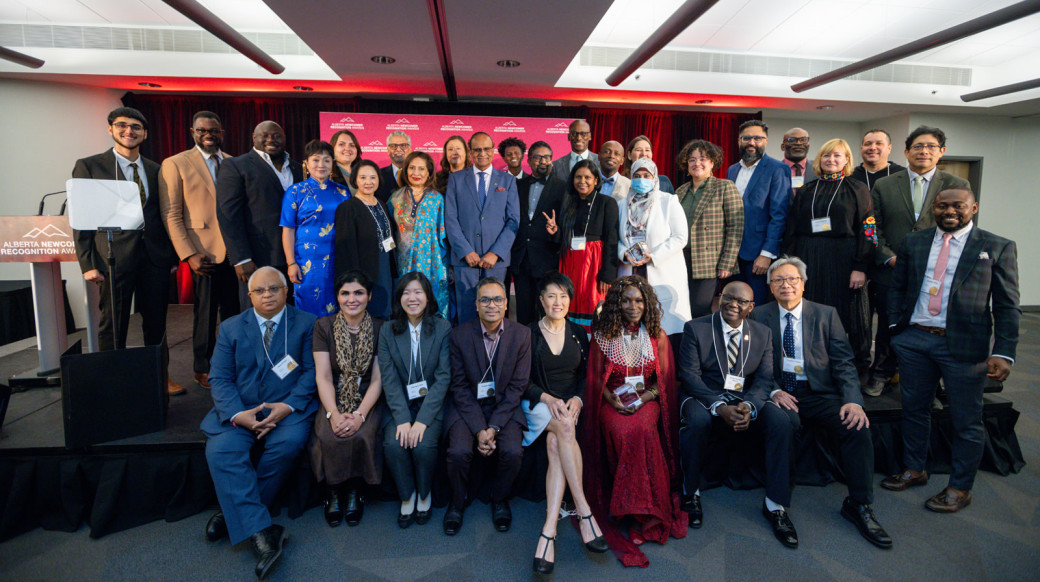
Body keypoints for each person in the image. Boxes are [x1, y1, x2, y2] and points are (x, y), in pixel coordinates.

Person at [881, 188, 1020, 513]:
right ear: (934, 207)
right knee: (914, 409)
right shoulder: (915, 242)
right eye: (943, 205)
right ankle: (915, 469)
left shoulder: (996, 245)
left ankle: (960, 487)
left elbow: (1007, 305)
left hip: (964, 347)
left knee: (965, 419)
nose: (950, 211)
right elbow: (898, 288)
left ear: (973, 207)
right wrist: (895, 330)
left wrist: (1004, 351)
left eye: (958, 205)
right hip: (915, 341)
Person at [749, 257, 892, 548]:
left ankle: (859, 504)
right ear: (770, 287)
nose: (786, 285)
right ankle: (775, 506)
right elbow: (752, 365)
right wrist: (773, 390)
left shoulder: (826, 314)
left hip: (818, 393)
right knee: (782, 424)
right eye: (778, 280)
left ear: (803, 283)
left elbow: (844, 363)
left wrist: (853, 400)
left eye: (792, 279)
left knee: (856, 426)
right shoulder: (759, 316)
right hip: (780, 393)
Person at [201, 266, 317, 581]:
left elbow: (310, 373)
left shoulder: (306, 324)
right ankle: (264, 533)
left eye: (274, 288)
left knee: (288, 444)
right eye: (260, 290)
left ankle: (233, 514)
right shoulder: (230, 328)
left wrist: (288, 407)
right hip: (239, 412)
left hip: (287, 409)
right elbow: (220, 379)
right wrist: (240, 415)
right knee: (221, 451)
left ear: (286, 290)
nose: (267, 295)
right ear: (249, 295)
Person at [676, 281, 797, 549]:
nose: (734, 304)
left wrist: (749, 407)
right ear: (719, 298)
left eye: (742, 301)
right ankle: (691, 491)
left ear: (751, 307)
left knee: (780, 422)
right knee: (698, 420)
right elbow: (689, 377)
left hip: (743, 397)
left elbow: (765, 379)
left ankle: (775, 505)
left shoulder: (762, 333)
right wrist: (719, 406)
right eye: (729, 297)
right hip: (702, 393)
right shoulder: (696, 328)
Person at [73, 106, 182, 395]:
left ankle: (159, 376)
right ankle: (113, 379)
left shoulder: (156, 169)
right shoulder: (90, 165)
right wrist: (86, 263)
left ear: (144, 133)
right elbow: (81, 217)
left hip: (155, 258)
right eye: (122, 125)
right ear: (110, 129)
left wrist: (170, 256)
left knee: (157, 323)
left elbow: (164, 214)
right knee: (114, 322)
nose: (128, 131)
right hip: (112, 258)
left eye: (136, 127)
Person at [581, 276, 686, 567]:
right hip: (612, 402)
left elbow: (662, 382)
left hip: (646, 402)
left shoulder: (657, 337)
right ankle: (629, 511)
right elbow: (593, 377)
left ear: (647, 304)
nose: (632, 306)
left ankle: (644, 514)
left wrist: (646, 398)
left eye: (639, 300)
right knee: (620, 429)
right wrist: (610, 398)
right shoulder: (602, 335)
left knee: (640, 428)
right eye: (626, 300)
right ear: (615, 303)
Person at [866, 125, 969, 396]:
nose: (924, 151)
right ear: (906, 152)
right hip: (892, 270)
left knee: (931, 326)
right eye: (918, 146)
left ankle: (931, 382)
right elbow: (871, 227)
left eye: (931, 147)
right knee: (889, 323)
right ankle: (882, 373)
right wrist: (887, 257)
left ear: (941, 152)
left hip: (938, 271)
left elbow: (962, 227)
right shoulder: (885, 184)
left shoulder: (957, 185)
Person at [523, 273, 607, 574]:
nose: (557, 302)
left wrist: (578, 400)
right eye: (551, 296)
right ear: (541, 300)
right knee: (565, 429)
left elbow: (586, 376)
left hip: (568, 406)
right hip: (537, 405)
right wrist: (547, 398)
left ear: (570, 301)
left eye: (563, 296)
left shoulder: (578, 333)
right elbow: (522, 382)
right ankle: (584, 511)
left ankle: (549, 530)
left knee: (556, 440)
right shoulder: (528, 333)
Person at [443, 277, 531, 536]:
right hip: (468, 407)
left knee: (513, 453)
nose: (491, 305)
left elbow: (518, 387)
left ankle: (499, 498)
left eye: (497, 299)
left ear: (505, 304)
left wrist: (493, 426)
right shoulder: (459, 335)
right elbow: (458, 387)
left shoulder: (522, 334)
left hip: (505, 406)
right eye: (485, 299)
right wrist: (480, 428)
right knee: (458, 452)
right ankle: (457, 502)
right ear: (476, 305)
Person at [782, 138, 875, 372]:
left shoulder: (858, 189)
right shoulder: (806, 189)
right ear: (819, 160)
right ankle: (812, 365)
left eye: (837, 155)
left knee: (848, 315)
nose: (831, 160)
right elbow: (791, 228)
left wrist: (861, 266)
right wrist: (787, 263)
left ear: (846, 160)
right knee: (810, 310)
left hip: (844, 259)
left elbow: (869, 229)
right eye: (826, 155)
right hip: (808, 257)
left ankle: (854, 369)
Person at [159, 110, 235, 391]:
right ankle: (202, 368)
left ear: (221, 134)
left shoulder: (232, 162)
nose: (208, 135)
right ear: (192, 132)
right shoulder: (175, 163)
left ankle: (231, 365)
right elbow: (171, 214)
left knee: (233, 314)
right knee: (205, 314)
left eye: (213, 131)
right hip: (203, 252)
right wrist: (189, 254)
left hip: (233, 252)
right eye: (202, 130)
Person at [309, 270, 385, 527]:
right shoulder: (323, 326)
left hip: (367, 395)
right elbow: (323, 377)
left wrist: (361, 415)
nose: (352, 299)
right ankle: (333, 493)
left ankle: (355, 492)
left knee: (361, 434)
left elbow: (377, 379)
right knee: (329, 435)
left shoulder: (380, 328)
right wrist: (333, 414)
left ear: (369, 296)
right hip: (334, 394)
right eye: (345, 293)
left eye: (359, 293)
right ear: (338, 297)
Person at [378, 272, 452, 528]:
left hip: (431, 405)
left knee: (423, 446)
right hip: (399, 405)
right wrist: (402, 419)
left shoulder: (442, 328)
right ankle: (406, 495)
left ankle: (424, 493)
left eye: (418, 292)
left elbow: (443, 378)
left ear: (428, 296)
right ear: (399, 298)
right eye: (406, 292)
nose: (412, 298)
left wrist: (420, 421)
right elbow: (389, 379)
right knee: (394, 445)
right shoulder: (387, 330)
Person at [216, 120, 302, 308]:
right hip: (257, 259)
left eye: (276, 135)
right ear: (254, 138)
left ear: (285, 139)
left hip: (297, 259)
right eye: (265, 135)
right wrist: (241, 257)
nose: (271, 138)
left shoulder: (298, 168)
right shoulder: (236, 165)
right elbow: (228, 215)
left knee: (292, 316)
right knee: (259, 317)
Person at [444, 132, 520, 324]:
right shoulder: (456, 179)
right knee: (467, 314)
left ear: (493, 150)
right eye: (477, 149)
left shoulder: (507, 180)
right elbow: (450, 219)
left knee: (494, 313)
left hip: (496, 262)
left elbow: (513, 221)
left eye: (487, 149)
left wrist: (496, 252)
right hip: (465, 262)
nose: (482, 153)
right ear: (470, 152)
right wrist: (465, 251)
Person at [851, 129, 906, 395]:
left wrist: (883, 252)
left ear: (890, 148)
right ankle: (859, 367)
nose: (872, 148)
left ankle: (884, 370)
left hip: (887, 259)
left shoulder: (900, 176)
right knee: (858, 318)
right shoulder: (851, 175)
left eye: (879, 143)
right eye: (867, 143)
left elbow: (875, 225)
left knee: (886, 319)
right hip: (856, 257)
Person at [617, 158, 691, 343]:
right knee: (632, 325)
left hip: (661, 269)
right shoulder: (621, 204)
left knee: (663, 329)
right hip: (631, 269)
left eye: (646, 176)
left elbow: (681, 236)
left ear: (654, 178)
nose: (641, 179)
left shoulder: (668, 201)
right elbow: (615, 238)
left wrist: (654, 256)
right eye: (637, 176)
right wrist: (623, 253)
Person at [674, 139, 744, 318]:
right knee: (679, 307)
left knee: (699, 308)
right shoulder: (680, 191)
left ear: (712, 162)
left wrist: (727, 262)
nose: (697, 163)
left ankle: (700, 345)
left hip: (709, 261)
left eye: (703, 158)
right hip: (680, 259)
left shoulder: (724, 187)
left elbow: (735, 227)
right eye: (692, 159)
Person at [281, 139, 350, 318]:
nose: (321, 165)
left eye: (327, 160)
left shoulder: (343, 192)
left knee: (338, 306)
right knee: (308, 310)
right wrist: (291, 263)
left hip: (338, 260)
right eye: (316, 160)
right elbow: (288, 230)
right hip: (306, 263)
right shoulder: (295, 191)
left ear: (332, 164)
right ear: (306, 163)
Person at [726, 120, 791, 305]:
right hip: (732, 254)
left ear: (766, 141)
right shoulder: (732, 169)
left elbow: (779, 216)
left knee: (757, 306)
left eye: (757, 138)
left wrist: (766, 253)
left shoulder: (778, 169)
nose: (752, 142)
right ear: (739, 140)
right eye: (747, 138)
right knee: (734, 304)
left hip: (758, 255)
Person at [554, 159, 619, 331]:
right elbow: (564, 238)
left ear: (596, 180)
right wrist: (555, 232)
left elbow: (612, 239)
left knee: (593, 304)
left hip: (594, 264)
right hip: (570, 261)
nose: (582, 181)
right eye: (578, 177)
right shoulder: (569, 203)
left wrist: (608, 274)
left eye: (587, 177)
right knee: (571, 301)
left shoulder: (607, 202)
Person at [389, 151, 449, 319]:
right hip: (403, 265)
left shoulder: (437, 199)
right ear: (405, 170)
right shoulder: (395, 198)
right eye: (412, 168)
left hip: (431, 265)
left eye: (421, 169)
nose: (416, 173)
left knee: (431, 307)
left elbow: (443, 237)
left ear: (429, 172)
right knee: (405, 307)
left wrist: (446, 269)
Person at [334, 160, 398, 319]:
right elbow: (345, 248)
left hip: (385, 265)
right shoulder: (348, 207)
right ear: (355, 180)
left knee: (386, 311)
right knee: (370, 314)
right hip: (364, 269)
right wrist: (354, 280)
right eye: (363, 177)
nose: (368, 182)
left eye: (372, 177)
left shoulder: (381, 204)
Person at [510, 141, 565, 325]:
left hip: (547, 259)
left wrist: (556, 233)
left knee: (546, 313)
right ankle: (524, 351)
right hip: (521, 259)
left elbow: (565, 224)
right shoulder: (517, 185)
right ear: (529, 160)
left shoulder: (563, 188)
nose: (543, 161)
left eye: (547, 157)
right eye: (538, 157)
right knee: (523, 314)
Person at [376, 130, 411, 203]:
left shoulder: (418, 175)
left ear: (410, 149)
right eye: (393, 146)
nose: (398, 149)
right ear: (388, 150)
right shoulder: (378, 175)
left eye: (403, 145)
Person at [329, 129, 361, 193]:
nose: (347, 149)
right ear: (332, 148)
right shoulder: (327, 174)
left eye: (352, 145)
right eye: (341, 144)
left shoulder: (363, 171)